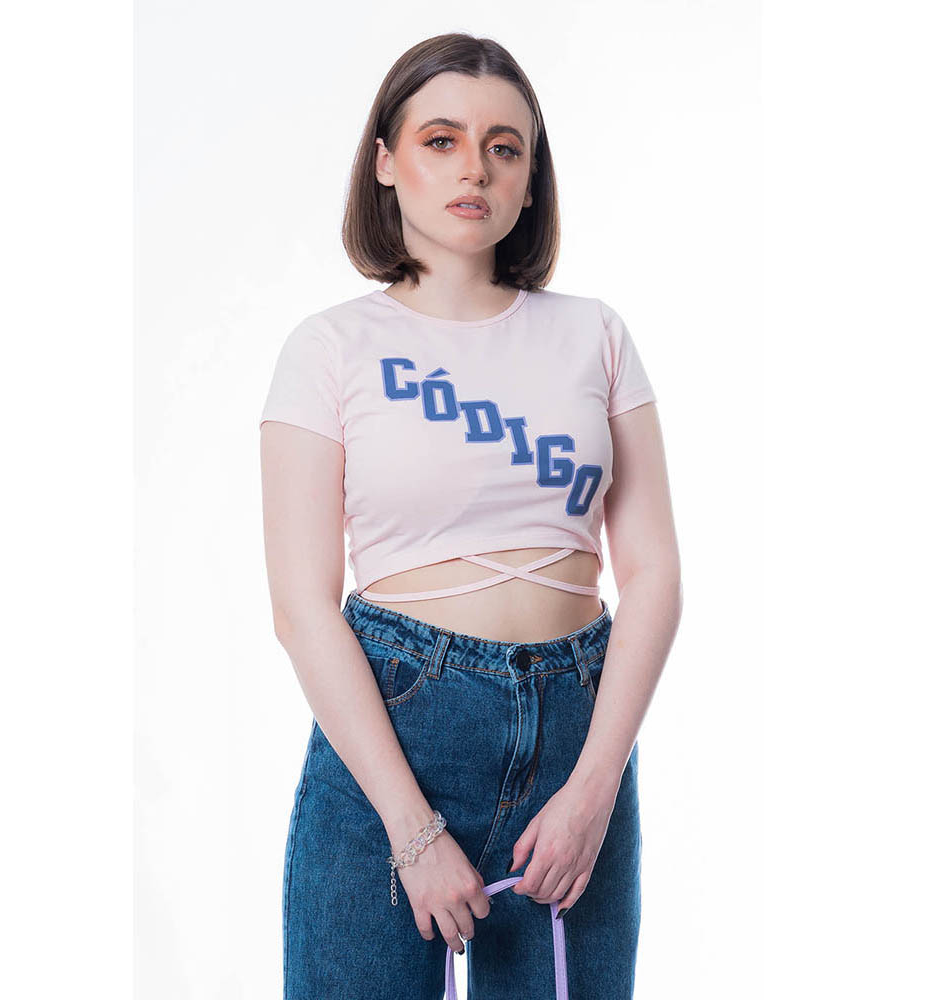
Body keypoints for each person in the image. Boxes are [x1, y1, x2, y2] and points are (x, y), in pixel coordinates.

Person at [259, 32, 682, 1000]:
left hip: (579, 738)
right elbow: (300, 606)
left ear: (530, 179)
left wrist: (593, 791)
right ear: (385, 161)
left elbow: (655, 573)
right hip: (393, 739)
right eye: (441, 139)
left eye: (504, 147)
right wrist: (412, 833)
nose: (475, 169)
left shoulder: (594, 335)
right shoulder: (328, 350)